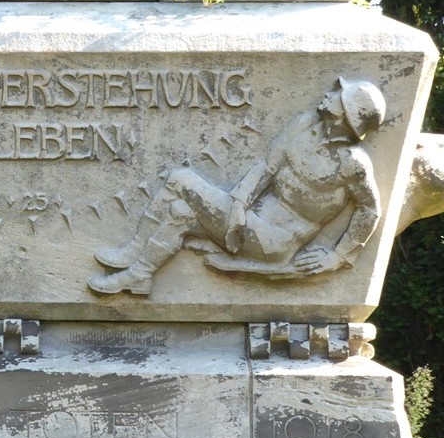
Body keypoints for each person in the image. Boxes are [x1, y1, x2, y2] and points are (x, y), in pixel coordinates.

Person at [89, 77, 386, 295]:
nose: (328, 92)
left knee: (182, 180)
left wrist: (340, 255)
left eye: (338, 95)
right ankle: (139, 275)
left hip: (274, 241)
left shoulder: (353, 162)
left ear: (347, 113)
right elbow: (266, 167)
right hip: (247, 220)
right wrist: (239, 204)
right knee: (180, 211)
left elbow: (370, 209)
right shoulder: (304, 125)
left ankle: (134, 252)